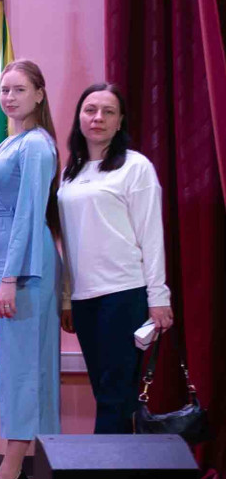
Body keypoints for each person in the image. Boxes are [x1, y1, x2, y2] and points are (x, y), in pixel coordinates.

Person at [58, 83, 173, 434]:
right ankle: (122, 466)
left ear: (120, 121)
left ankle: (104, 468)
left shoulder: (136, 167)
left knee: (115, 395)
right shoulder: (72, 172)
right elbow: (69, 241)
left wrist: (159, 297)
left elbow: (151, 236)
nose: (98, 118)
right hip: (84, 299)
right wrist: (68, 298)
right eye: (90, 110)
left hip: (124, 293)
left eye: (108, 112)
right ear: (79, 117)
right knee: (107, 393)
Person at [0, 59, 62, 479]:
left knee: (26, 370)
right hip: (9, 264)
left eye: (19, 89)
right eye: (4, 89)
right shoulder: (13, 142)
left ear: (39, 94)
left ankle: (10, 472)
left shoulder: (36, 145)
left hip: (27, 268)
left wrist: (9, 276)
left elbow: (29, 214)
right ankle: (39, 475)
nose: (9, 97)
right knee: (18, 369)